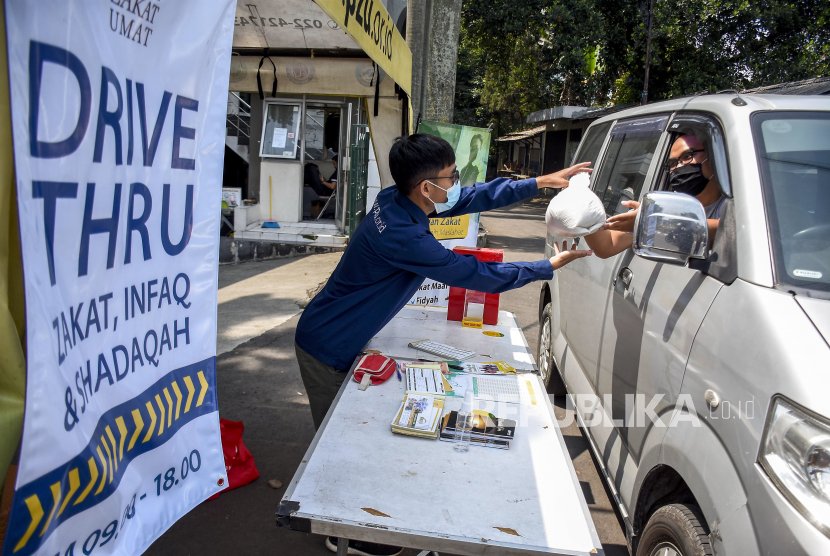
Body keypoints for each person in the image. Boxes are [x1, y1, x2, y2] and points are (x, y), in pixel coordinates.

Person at [294, 133, 592, 556]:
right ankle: (346, 529)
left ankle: (355, 512)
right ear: (426, 187)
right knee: (336, 443)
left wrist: (541, 182)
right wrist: (544, 266)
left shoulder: (392, 200)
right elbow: (469, 273)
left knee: (354, 437)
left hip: (343, 330)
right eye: (451, 176)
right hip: (326, 344)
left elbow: (471, 197)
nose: (457, 183)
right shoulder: (404, 235)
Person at [585, 134, 725, 258]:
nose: (678, 168)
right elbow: (607, 245)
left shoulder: (734, 204)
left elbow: (732, 232)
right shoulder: (664, 206)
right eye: (672, 164)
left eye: (687, 156)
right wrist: (581, 205)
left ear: (713, 157)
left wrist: (657, 223)